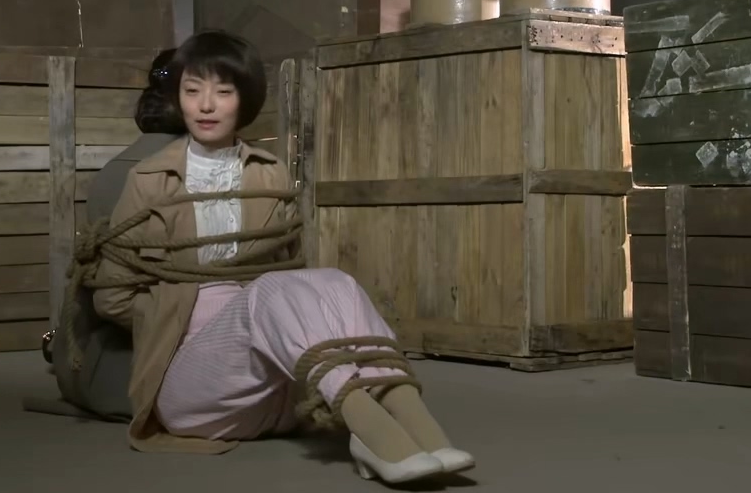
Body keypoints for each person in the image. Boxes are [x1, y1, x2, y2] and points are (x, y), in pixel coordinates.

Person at [89, 31, 473, 484]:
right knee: (267, 290)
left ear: (245, 100)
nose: (206, 106)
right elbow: (111, 296)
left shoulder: (269, 173)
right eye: (192, 91)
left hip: (276, 387)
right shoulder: (148, 179)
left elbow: (292, 274)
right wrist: (171, 313)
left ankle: (413, 417)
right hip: (195, 390)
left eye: (223, 92)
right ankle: (371, 430)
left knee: (333, 280)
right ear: (179, 97)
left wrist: (263, 318)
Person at [46, 48, 186, 422]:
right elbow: (120, 301)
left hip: (89, 357)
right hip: (130, 366)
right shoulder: (171, 175)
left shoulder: (115, 168)